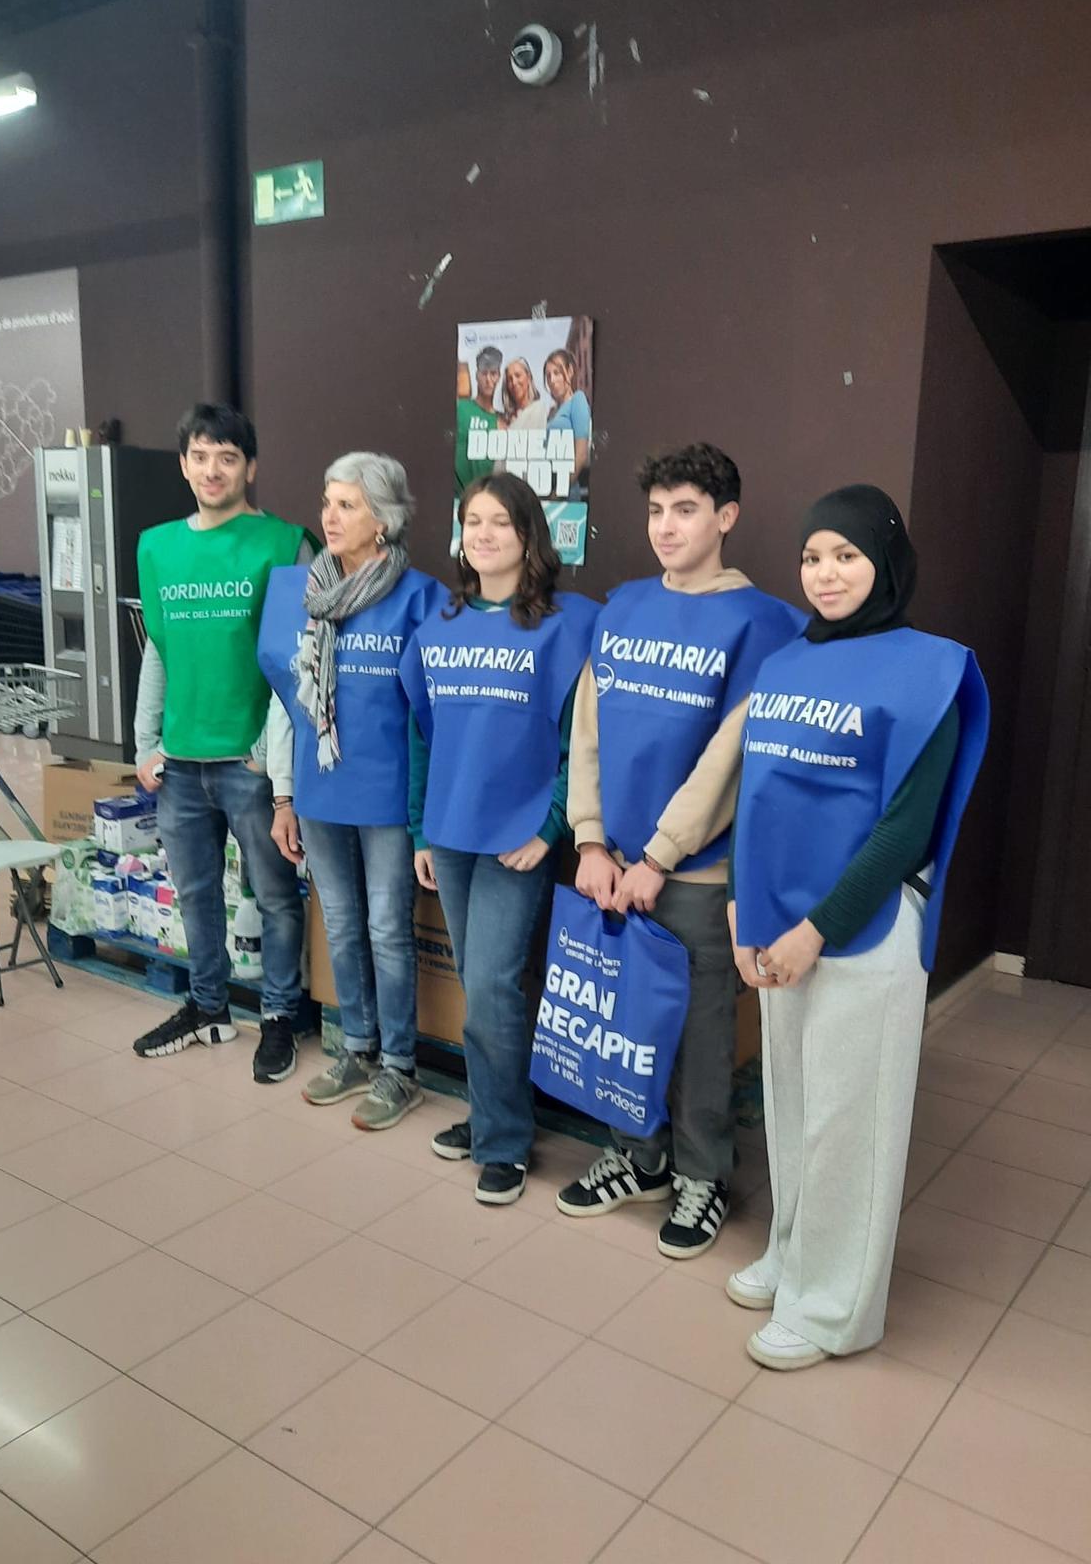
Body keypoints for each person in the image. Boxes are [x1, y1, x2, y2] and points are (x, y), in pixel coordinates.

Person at [727, 484, 989, 1369]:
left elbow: (908, 827)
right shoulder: (787, 662)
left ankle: (836, 1309)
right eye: (811, 556)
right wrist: (745, 911)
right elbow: (756, 801)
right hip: (778, 921)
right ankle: (795, 1255)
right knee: (793, 1105)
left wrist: (818, 929)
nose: (825, 573)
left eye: (845, 554)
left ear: (885, 560)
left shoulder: (932, 671)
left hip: (864, 926)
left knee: (851, 1122)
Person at [555, 445, 804, 1256]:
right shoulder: (621, 605)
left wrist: (659, 857)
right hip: (611, 864)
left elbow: (732, 756)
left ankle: (702, 1177)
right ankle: (637, 1157)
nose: (667, 527)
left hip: (693, 872)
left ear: (726, 518)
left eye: (686, 510)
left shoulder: (762, 622)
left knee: (698, 1038)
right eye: (658, 510)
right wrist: (590, 841)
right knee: (622, 1023)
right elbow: (586, 733)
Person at [400, 473, 597, 1204]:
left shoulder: (567, 623)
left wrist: (552, 828)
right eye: (471, 522)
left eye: (500, 523)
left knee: (489, 986)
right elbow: (424, 738)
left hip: (519, 837)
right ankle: (490, 1119)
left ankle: (506, 1144)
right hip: (449, 833)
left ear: (528, 536)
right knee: (479, 986)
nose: (483, 535)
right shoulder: (439, 624)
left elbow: (581, 741)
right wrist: (421, 829)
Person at [131, 403, 318, 1081]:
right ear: (184, 465)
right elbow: (159, 648)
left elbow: (301, 659)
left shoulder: (285, 543)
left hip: (252, 763)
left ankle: (278, 1015)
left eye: (228, 457)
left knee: (274, 895)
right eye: (201, 456)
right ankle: (208, 1006)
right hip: (179, 762)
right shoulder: (155, 546)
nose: (213, 469)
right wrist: (144, 741)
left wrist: (278, 766)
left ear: (251, 467)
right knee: (197, 893)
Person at [258, 453, 444, 1129]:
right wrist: (284, 795)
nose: (330, 518)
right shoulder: (307, 595)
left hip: (388, 795)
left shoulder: (419, 598)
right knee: (338, 924)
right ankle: (357, 1048)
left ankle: (400, 1068)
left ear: (385, 520)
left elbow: (430, 712)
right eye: (328, 502)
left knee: (388, 931)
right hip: (319, 789)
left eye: (349, 506)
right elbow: (285, 698)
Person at [543, 348, 592, 497]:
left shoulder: (578, 400)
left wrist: (559, 491)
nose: (552, 380)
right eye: (548, 375)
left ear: (570, 372)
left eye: (557, 373)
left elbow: (581, 454)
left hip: (566, 491)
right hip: (549, 486)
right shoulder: (552, 412)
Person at [454, 346, 503, 495]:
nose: (488, 379)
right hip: (456, 499)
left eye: (493, 373)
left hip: (485, 498)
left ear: (499, 376)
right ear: (477, 375)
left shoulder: (501, 420)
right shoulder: (461, 408)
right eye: (484, 373)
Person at [501, 357, 548, 434]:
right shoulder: (505, 420)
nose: (514, 382)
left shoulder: (538, 409)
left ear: (528, 377)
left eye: (518, 375)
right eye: (510, 379)